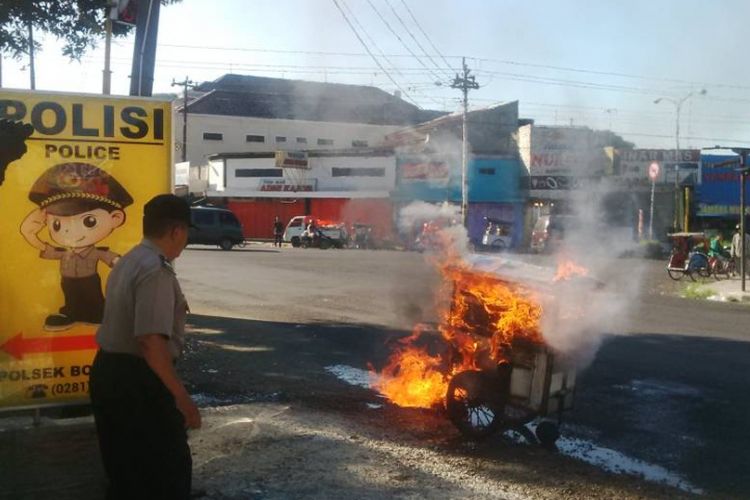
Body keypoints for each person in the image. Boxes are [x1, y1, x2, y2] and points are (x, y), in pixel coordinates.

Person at [90, 194, 201, 500]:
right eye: (187, 234)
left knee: (126, 468)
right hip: (138, 381)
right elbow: (151, 342)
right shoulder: (155, 271)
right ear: (176, 232)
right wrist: (182, 398)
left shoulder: (130, 260)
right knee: (165, 470)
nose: (186, 242)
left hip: (110, 372)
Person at [20, 163, 133, 330]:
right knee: (70, 297)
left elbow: (115, 260)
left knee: (93, 297)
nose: (69, 230)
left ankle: (97, 314)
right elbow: (43, 248)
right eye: (57, 223)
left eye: (89, 221)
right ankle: (70, 314)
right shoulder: (62, 252)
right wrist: (28, 233)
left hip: (90, 280)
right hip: (68, 281)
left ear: (115, 218)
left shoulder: (96, 252)